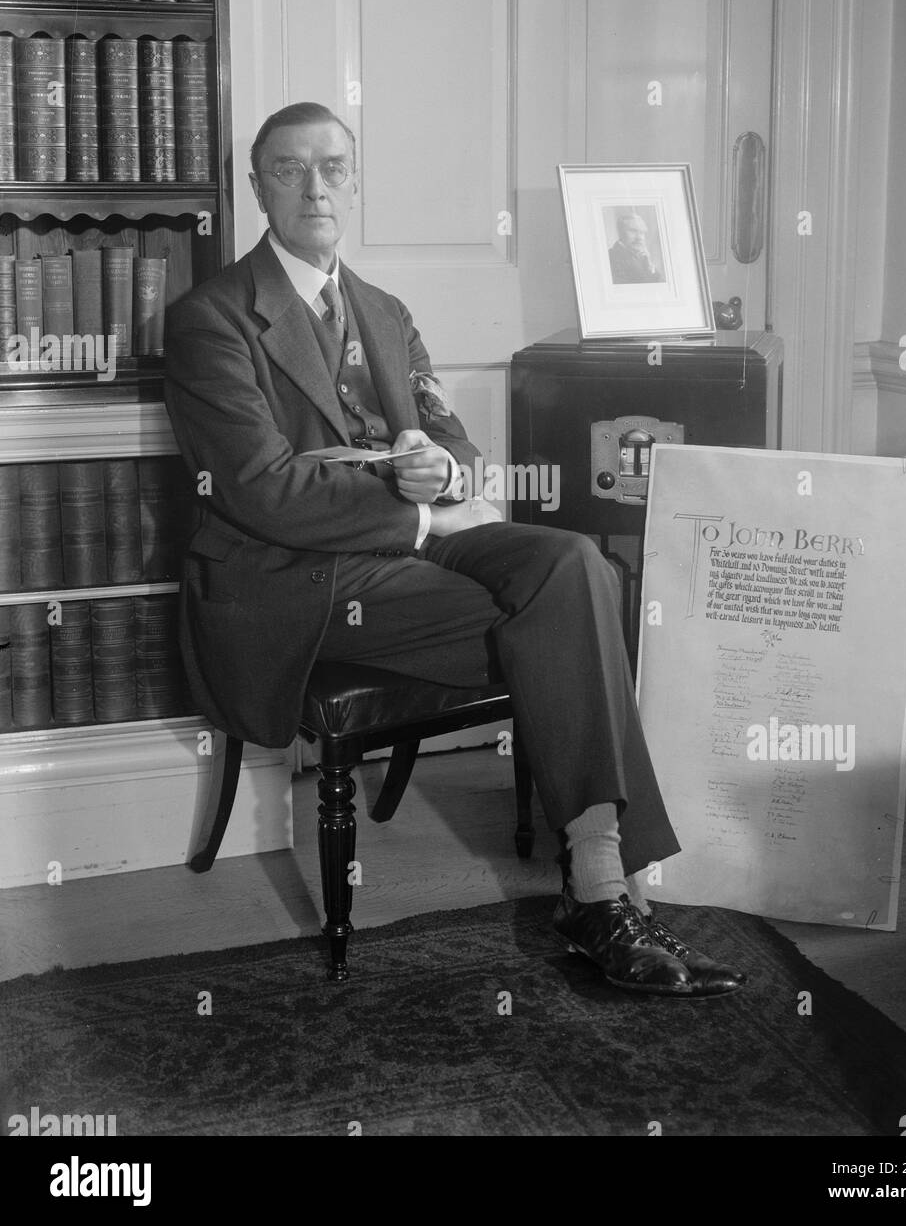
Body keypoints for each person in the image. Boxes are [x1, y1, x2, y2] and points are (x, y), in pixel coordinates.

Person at [163, 102, 746, 998]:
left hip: (394, 554)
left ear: (354, 181)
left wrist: (436, 464)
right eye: (289, 169)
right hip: (290, 586)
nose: (314, 187)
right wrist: (417, 508)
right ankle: (599, 890)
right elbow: (264, 492)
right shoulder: (211, 319)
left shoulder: (385, 312)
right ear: (257, 186)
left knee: (573, 567)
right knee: (562, 617)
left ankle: (593, 884)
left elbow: (454, 446)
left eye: (332, 167)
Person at [608, 212, 662, 284]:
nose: (640, 237)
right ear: (620, 232)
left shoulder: (643, 257)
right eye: (633, 231)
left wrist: (650, 266)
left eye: (642, 233)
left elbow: (661, 283)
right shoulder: (611, 256)